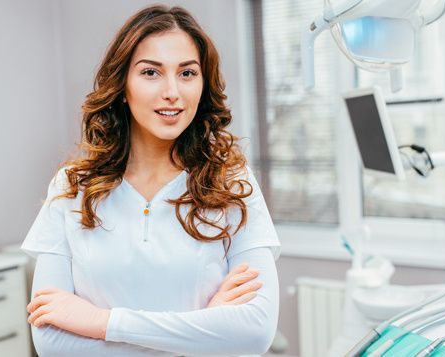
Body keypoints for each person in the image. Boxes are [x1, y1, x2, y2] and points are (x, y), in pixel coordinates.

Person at [21, 4, 280, 356]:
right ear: (122, 86)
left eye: (187, 73)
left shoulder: (231, 184)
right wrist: (206, 329)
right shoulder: (72, 188)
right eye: (151, 73)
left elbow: (254, 333)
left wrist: (101, 322)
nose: (172, 91)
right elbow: (52, 342)